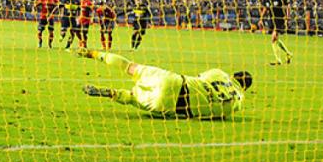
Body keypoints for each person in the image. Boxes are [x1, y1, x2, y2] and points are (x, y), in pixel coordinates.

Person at [77, 49, 251, 120]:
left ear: (233, 75)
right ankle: (112, 93)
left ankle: (94, 54)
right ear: (244, 88)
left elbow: (200, 78)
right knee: (132, 98)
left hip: (175, 81)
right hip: (175, 107)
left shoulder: (220, 73)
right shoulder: (238, 104)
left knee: (130, 67)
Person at [260, 0, 294, 65]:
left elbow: (288, 5)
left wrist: (287, 16)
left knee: (273, 38)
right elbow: (265, 9)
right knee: (276, 39)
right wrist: (261, 19)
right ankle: (288, 53)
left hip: (280, 19)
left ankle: (278, 60)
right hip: (272, 19)